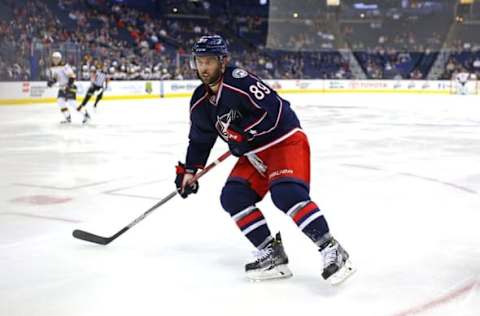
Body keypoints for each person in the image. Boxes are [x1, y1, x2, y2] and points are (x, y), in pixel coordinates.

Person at [174, 35, 355, 285]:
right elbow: (200, 139)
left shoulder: (240, 82)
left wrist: (244, 132)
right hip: (253, 152)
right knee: (233, 197)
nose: (203, 68)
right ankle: (272, 254)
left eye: (209, 61)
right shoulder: (200, 102)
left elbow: (277, 110)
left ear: (223, 62)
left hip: (283, 140)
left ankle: (331, 249)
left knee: (286, 194)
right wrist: (190, 170)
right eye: (199, 62)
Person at [46, 52, 89, 124]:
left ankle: (86, 115)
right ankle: (67, 117)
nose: (55, 60)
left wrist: (68, 86)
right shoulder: (52, 67)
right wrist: (52, 82)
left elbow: (72, 76)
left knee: (72, 103)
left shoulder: (65, 66)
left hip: (70, 86)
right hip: (62, 87)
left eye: (57, 58)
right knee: (60, 102)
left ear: (60, 59)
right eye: (54, 58)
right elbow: (56, 77)